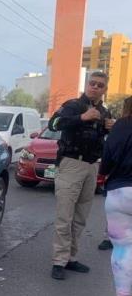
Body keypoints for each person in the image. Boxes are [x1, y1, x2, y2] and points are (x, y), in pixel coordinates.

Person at [48, 71, 113, 280]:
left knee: (80, 217)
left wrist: (109, 128)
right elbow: (53, 125)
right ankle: (59, 260)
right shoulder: (73, 105)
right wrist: (81, 117)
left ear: (105, 89)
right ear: (87, 85)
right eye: (92, 83)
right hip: (71, 163)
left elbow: (102, 139)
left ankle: (70, 258)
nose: (95, 87)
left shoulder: (105, 112)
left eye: (100, 85)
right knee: (64, 216)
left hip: (92, 166)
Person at [100, 96, 132, 296]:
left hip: (120, 194)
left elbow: (106, 164)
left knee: (123, 248)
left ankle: (123, 293)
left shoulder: (120, 126)